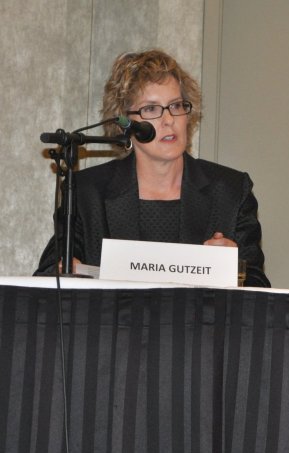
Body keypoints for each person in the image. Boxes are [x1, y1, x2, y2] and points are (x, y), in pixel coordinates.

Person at [35, 49, 270, 287]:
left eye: (176, 105)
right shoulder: (88, 192)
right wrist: (65, 271)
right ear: (124, 124)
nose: (169, 120)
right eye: (150, 109)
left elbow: (259, 287)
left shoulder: (230, 192)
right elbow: (45, 277)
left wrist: (234, 270)